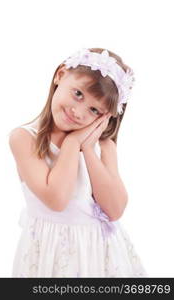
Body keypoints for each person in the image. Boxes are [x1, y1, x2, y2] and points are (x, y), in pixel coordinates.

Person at [8, 47, 147, 277]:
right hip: (50, 255)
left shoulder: (103, 147)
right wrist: (72, 144)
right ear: (60, 75)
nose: (78, 112)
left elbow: (115, 209)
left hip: (99, 255)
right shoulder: (24, 139)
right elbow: (57, 199)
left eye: (94, 110)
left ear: (105, 117)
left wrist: (88, 150)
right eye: (78, 94)